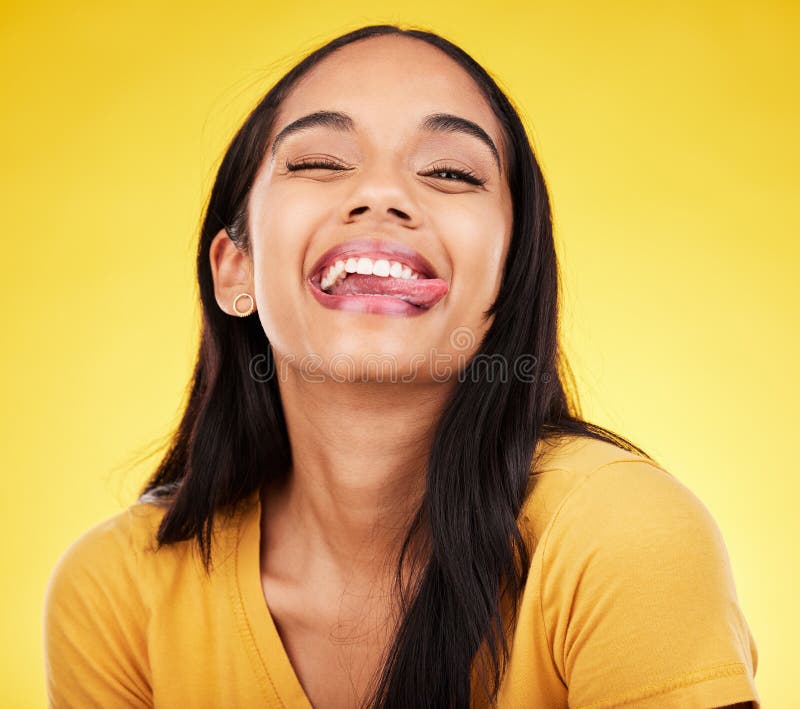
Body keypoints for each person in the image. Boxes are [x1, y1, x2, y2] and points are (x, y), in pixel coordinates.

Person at [42, 24, 760, 709]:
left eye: (450, 172)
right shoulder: (116, 591)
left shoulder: (622, 537)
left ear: (509, 276)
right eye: (318, 162)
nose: (382, 194)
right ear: (236, 268)